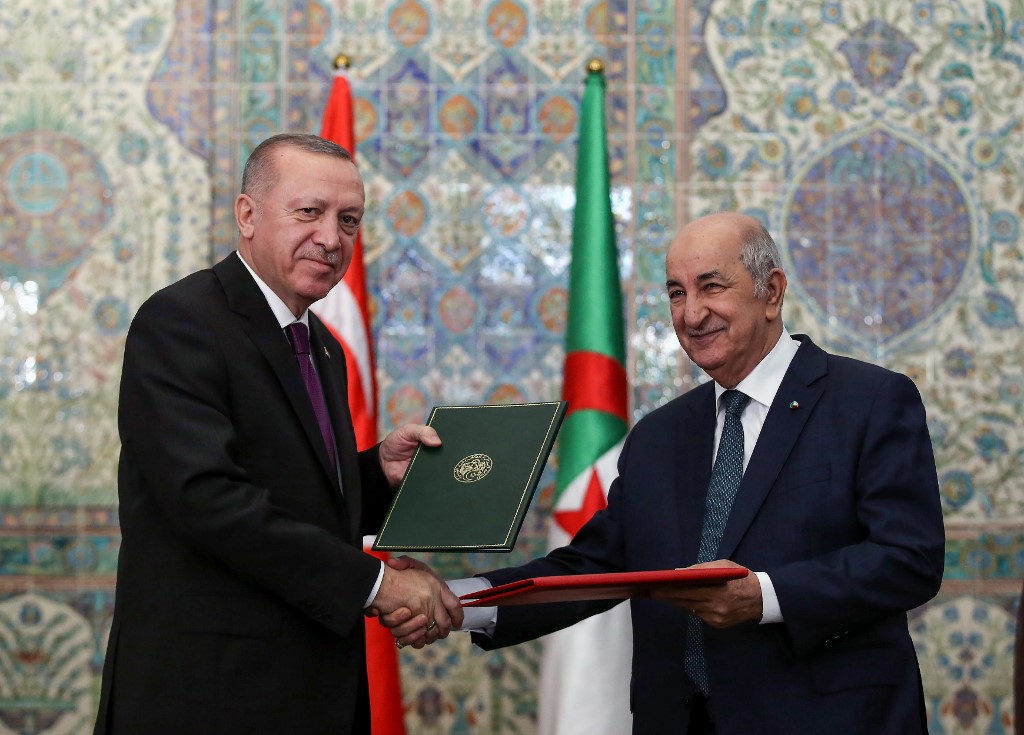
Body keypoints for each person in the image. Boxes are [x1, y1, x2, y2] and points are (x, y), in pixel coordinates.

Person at [384, 212, 945, 734]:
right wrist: (457, 601)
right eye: (677, 293)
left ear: (770, 293)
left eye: (711, 286)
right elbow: (591, 566)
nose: (691, 314)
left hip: (830, 719)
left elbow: (909, 558)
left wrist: (766, 596)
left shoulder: (868, 400)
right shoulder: (659, 435)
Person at [94, 133, 463, 735]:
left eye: (349, 220)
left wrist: (376, 474)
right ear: (247, 215)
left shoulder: (321, 346)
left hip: (311, 689)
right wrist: (377, 585)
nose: (331, 238)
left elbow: (293, 492)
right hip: (208, 696)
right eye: (308, 212)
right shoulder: (182, 320)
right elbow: (207, 499)